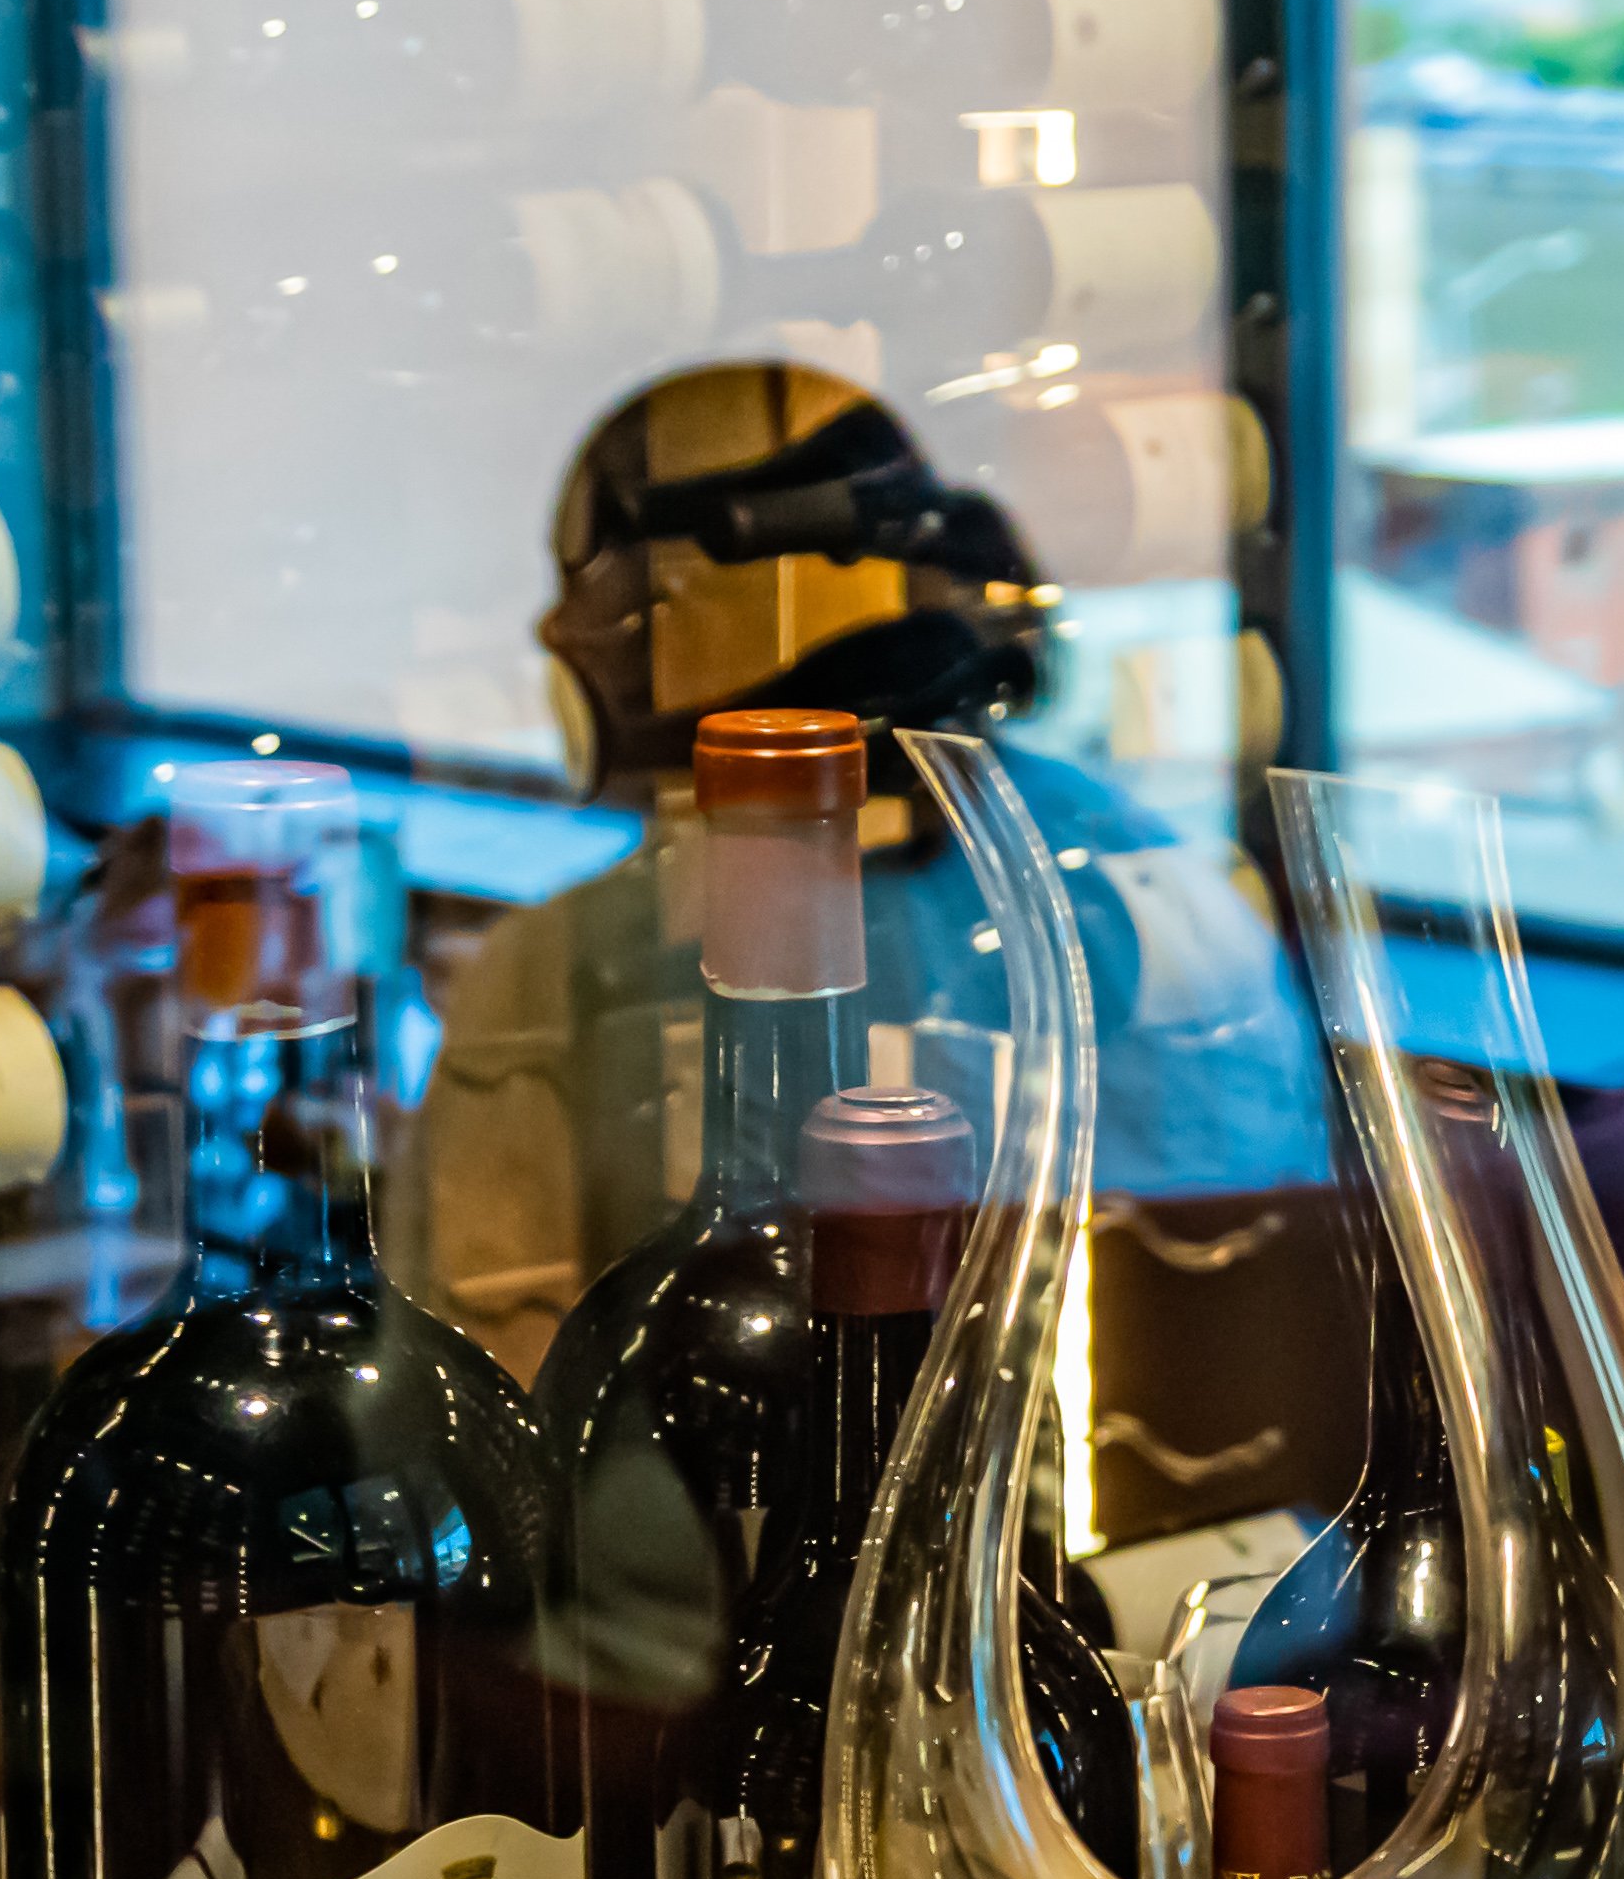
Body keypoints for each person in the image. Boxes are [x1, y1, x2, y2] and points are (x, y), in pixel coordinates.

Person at [403, 356, 1310, 1373]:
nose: (557, 629)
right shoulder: (1147, 878)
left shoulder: (577, 961)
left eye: (601, 583)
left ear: (724, 604)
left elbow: (502, 1365)